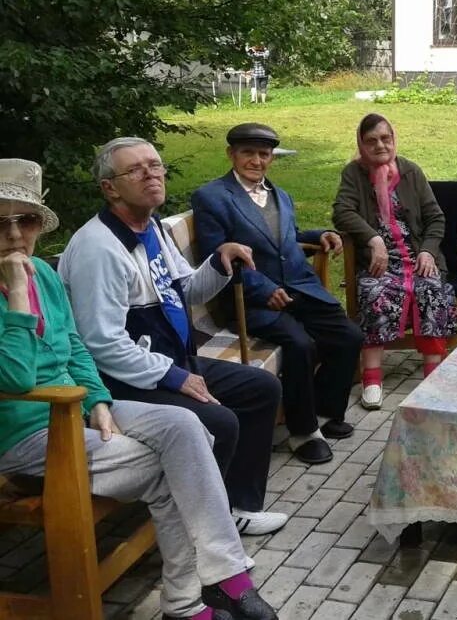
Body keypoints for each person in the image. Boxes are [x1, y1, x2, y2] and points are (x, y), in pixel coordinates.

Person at [0, 158, 278, 620]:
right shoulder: (45, 270)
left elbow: (74, 348)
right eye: (0, 221)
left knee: (185, 427)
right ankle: (195, 600)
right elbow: (15, 380)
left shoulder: (43, 275)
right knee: (178, 465)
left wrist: (97, 400)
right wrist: (14, 298)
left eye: (24, 220)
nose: (13, 236)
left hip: (75, 410)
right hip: (23, 431)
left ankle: (222, 580)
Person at [59, 138, 287, 536]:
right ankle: (198, 528)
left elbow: (188, 290)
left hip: (169, 361)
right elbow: (101, 344)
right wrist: (177, 378)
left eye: (155, 165)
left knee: (260, 387)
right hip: (120, 380)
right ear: (110, 188)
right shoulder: (99, 248)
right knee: (220, 421)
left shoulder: (154, 230)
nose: (151, 174)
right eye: (136, 170)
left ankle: (238, 507)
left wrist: (220, 260)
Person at [191, 123, 363, 466]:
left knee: (349, 336)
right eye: (248, 153)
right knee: (300, 344)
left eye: (264, 154)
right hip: (248, 298)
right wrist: (262, 288)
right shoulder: (211, 197)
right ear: (231, 155)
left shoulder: (280, 195)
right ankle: (302, 433)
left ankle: (325, 412)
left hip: (299, 288)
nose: (256, 160)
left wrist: (323, 233)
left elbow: (288, 237)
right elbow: (218, 256)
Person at [334, 113, 457, 410]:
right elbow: (342, 211)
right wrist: (373, 239)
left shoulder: (411, 172)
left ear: (394, 139)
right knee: (374, 291)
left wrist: (428, 250)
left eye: (385, 138)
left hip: (417, 257)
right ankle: (373, 377)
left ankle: (433, 372)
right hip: (380, 261)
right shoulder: (354, 173)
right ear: (362, 144)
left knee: (431, 289)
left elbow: (435, 218)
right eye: (371, 140)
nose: (380, 145)